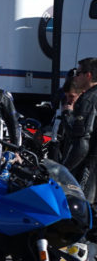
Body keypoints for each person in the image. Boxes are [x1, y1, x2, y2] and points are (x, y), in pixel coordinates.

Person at [60, 57, 97, 208]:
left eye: (78, 73)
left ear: (88, 75)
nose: (75, 77)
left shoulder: (88, 99)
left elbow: (82, 140)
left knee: (82, 207)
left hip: (90, 162)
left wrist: (64, 169)